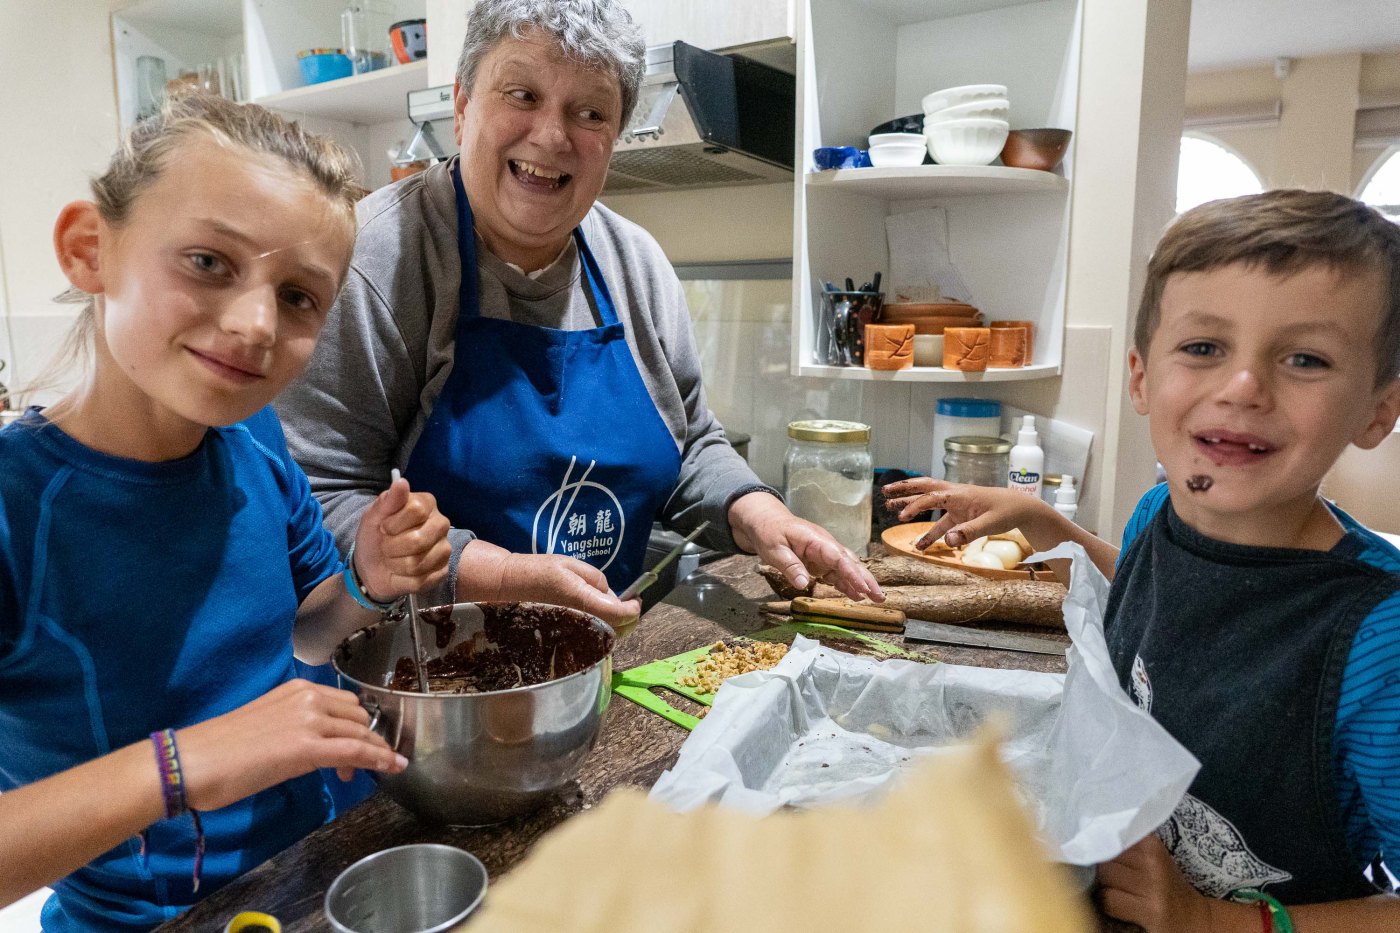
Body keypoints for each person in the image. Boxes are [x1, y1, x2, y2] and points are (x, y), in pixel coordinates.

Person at [883, 190, 1400, 931]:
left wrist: (1213, 921)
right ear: (1141, 378)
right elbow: (1151, 588)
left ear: (1378, 410)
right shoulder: (1161, 511)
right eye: (1204, 347)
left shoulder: (1379, 640)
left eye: (1305, 358)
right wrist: (1046, 524)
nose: (1243, 387)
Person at [274, 0, 881, 631]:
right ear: (461, 105)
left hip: (598, 659)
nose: (552, 136)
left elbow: (691, 442)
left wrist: (759, 513)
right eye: (522, 95)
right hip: (422, 669)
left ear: (614, 137)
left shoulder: (637, 264)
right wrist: (497, 576)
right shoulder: (370, 261)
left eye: (590, 112)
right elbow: (317, 500)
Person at [0, 94, 452, 931]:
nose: (254, 324)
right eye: (209, 261)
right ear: (90, 249)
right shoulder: (15, 506)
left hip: (303, 880)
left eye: (299, 297)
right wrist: (181, 765)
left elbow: (310, 630)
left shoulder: (255, 438)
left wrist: (368, 580)